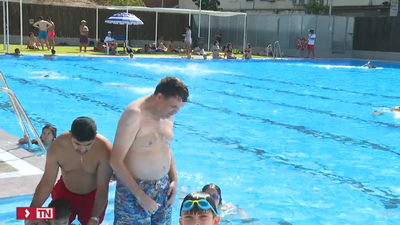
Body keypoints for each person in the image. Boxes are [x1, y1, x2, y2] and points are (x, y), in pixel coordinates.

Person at [110, 76, 189, 224]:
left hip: (163, 188)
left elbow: (166, 146)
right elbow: (115, 161)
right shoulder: (135, 115)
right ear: (159, 97)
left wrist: (174, 180)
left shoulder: (167, 114)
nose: (176, 112)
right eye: (173, 106)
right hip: (133, 190)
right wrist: (140, 195)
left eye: (179, 107)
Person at [25, 117, 113, 225]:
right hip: (64, 192)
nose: (82, 149)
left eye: (88, 145)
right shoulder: (58, 146)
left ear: (95, 136)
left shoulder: (104, 149)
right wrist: (32, 211)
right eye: (77, 144)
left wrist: (95, 218)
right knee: (31, 217)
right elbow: (47, 181)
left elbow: (103, 188)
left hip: (92, 196)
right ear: (70, 134)